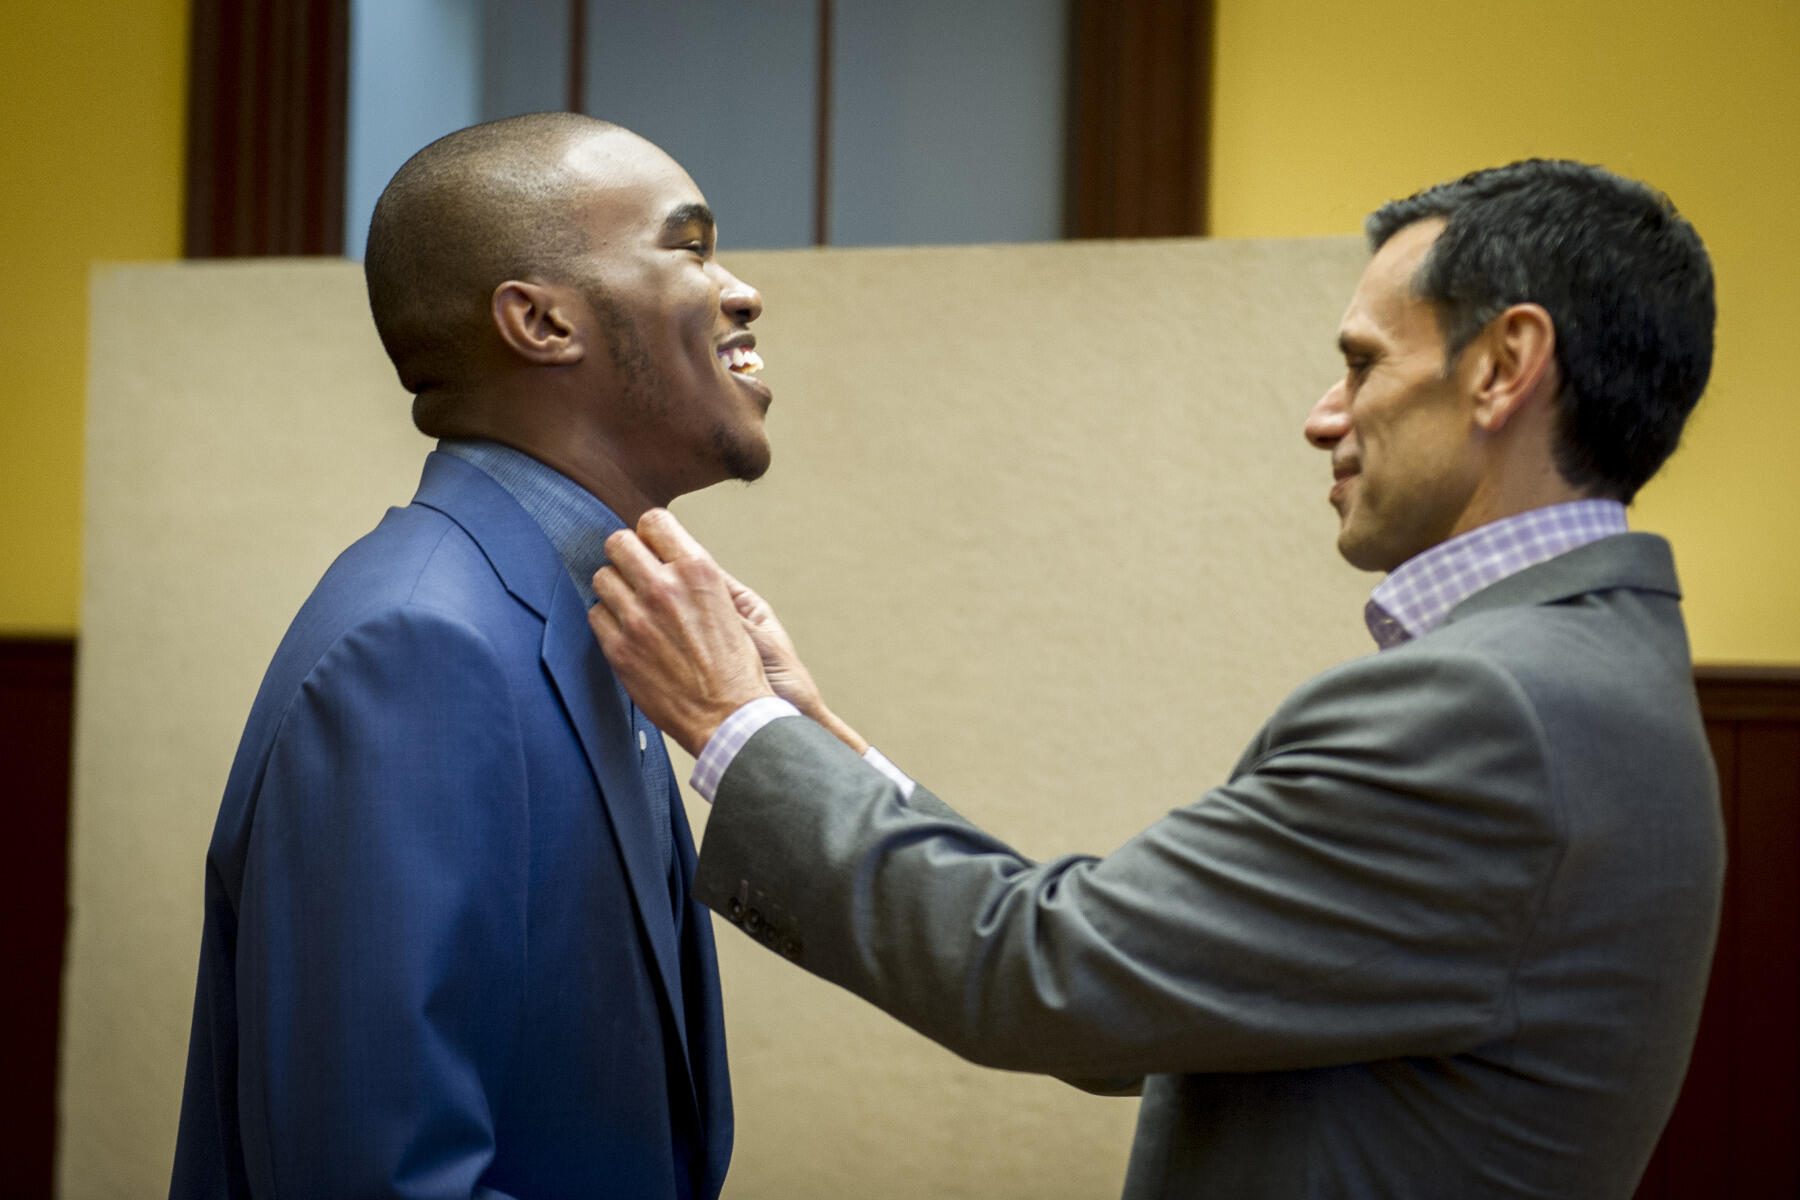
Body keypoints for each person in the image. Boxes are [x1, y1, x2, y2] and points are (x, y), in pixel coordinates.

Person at [587, 159, 1723, 1198]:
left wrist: (732, 724)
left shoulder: (1488, 712)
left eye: (1364, 364)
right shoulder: (1599, 676)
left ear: (1505, 368)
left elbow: (1051, 973)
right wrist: (806, 728)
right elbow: (1134, 981)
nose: (1324, 416)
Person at [170, 112, 771, 1198]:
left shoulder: (593, 616)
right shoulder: (419, 650)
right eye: (689, 246)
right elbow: (380, 1179)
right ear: (539, 322)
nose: (740, 291)